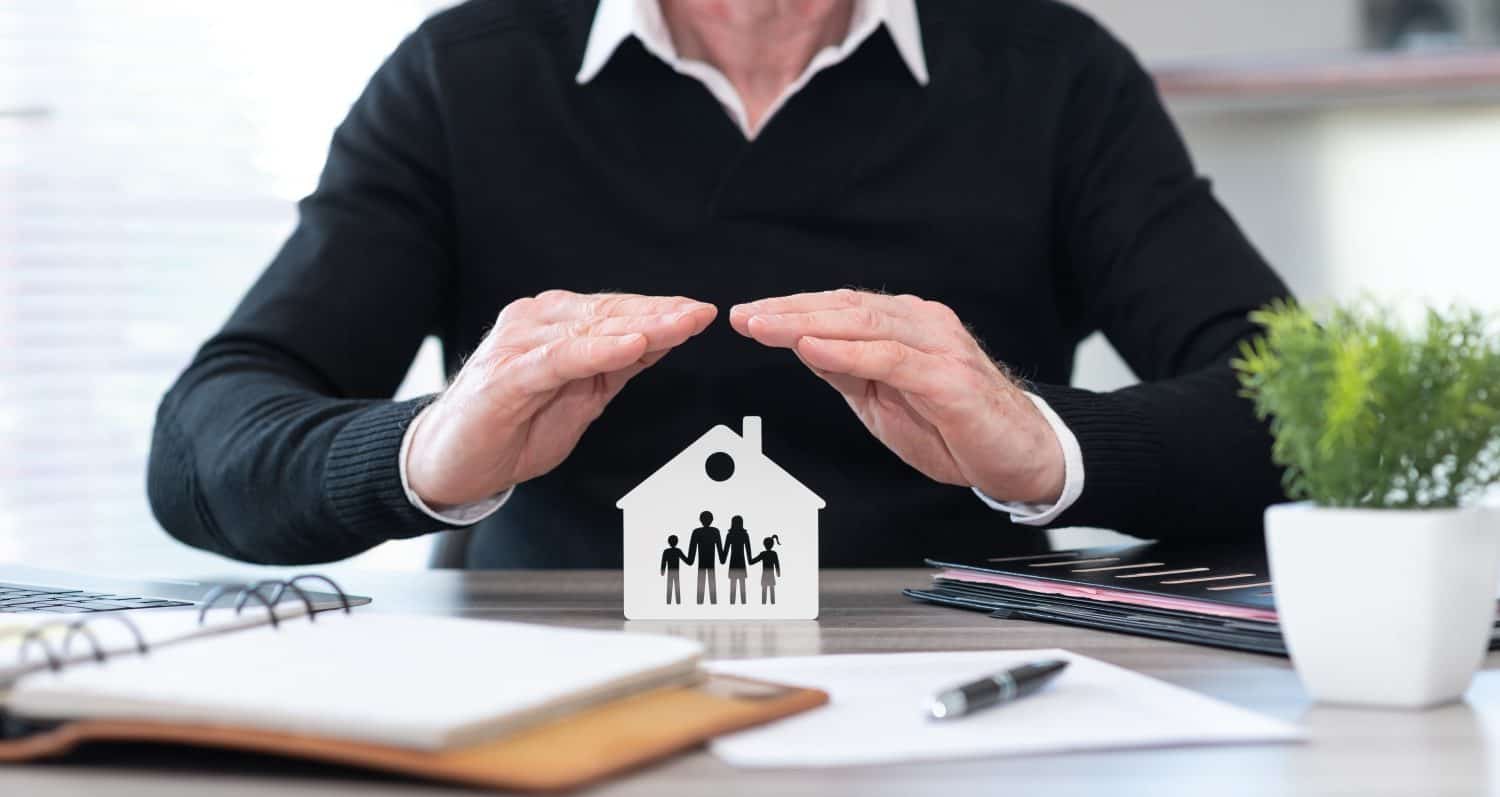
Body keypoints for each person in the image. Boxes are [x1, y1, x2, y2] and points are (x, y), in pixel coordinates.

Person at [147, 0, 1291, 569]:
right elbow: (203, 443)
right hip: (549, 701)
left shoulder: (1053, 74)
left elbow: (1293, 412)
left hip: (961, 694)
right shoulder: (466, 73)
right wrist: (425, 452)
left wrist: (1046, 447)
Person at [687, 511, 724, 605]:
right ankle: (713, 603)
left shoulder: (697, 532)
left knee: (701, 584)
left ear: (700, 520)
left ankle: (700, 604)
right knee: (712, 583)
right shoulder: (715, 531)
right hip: (711, 563)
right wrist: (722, 559)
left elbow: (692, 550)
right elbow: (720, 549)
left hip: (702, 563)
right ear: (712, 520)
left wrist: (689, 560)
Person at [722, 515, 753, 605]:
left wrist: (723, 560)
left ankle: (732, 603)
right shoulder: (744, 535)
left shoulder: (730, 535)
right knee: (742, 584)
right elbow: (748, 550)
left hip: (733, 562)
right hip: (741, 562)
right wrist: (750, 561)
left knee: (733, 584)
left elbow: (726, 550)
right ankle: (743, 603)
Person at [749, 536, 782, 605]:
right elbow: (777, 564)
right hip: (771, 575)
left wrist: (749, 556)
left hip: (765, 575)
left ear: (764, 545)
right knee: (771, 591)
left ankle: (765, 605)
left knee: (764, 592)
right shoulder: (773, 553)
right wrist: (778, 573)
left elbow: (752, 562)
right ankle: (772, 604)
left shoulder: (763, 554)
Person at [660, 533, 691, 604]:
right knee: (676, 586)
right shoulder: (677, 551)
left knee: (670, 586)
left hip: (670, 571)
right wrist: (689, 561)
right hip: (676, 571)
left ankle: (669, 601)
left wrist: (662, 571)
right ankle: (677, 601)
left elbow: (663, 562)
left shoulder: (666, 551)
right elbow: (685, 559)